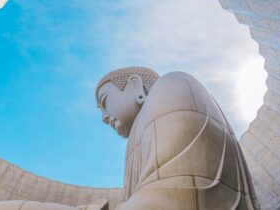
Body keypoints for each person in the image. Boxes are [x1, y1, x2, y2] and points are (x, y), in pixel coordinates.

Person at [96, 67, 260, 209]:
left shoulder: (173, 85)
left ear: (135, 85)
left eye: (104, 101)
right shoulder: (138, 133)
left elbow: (183, 193)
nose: (104, 118)